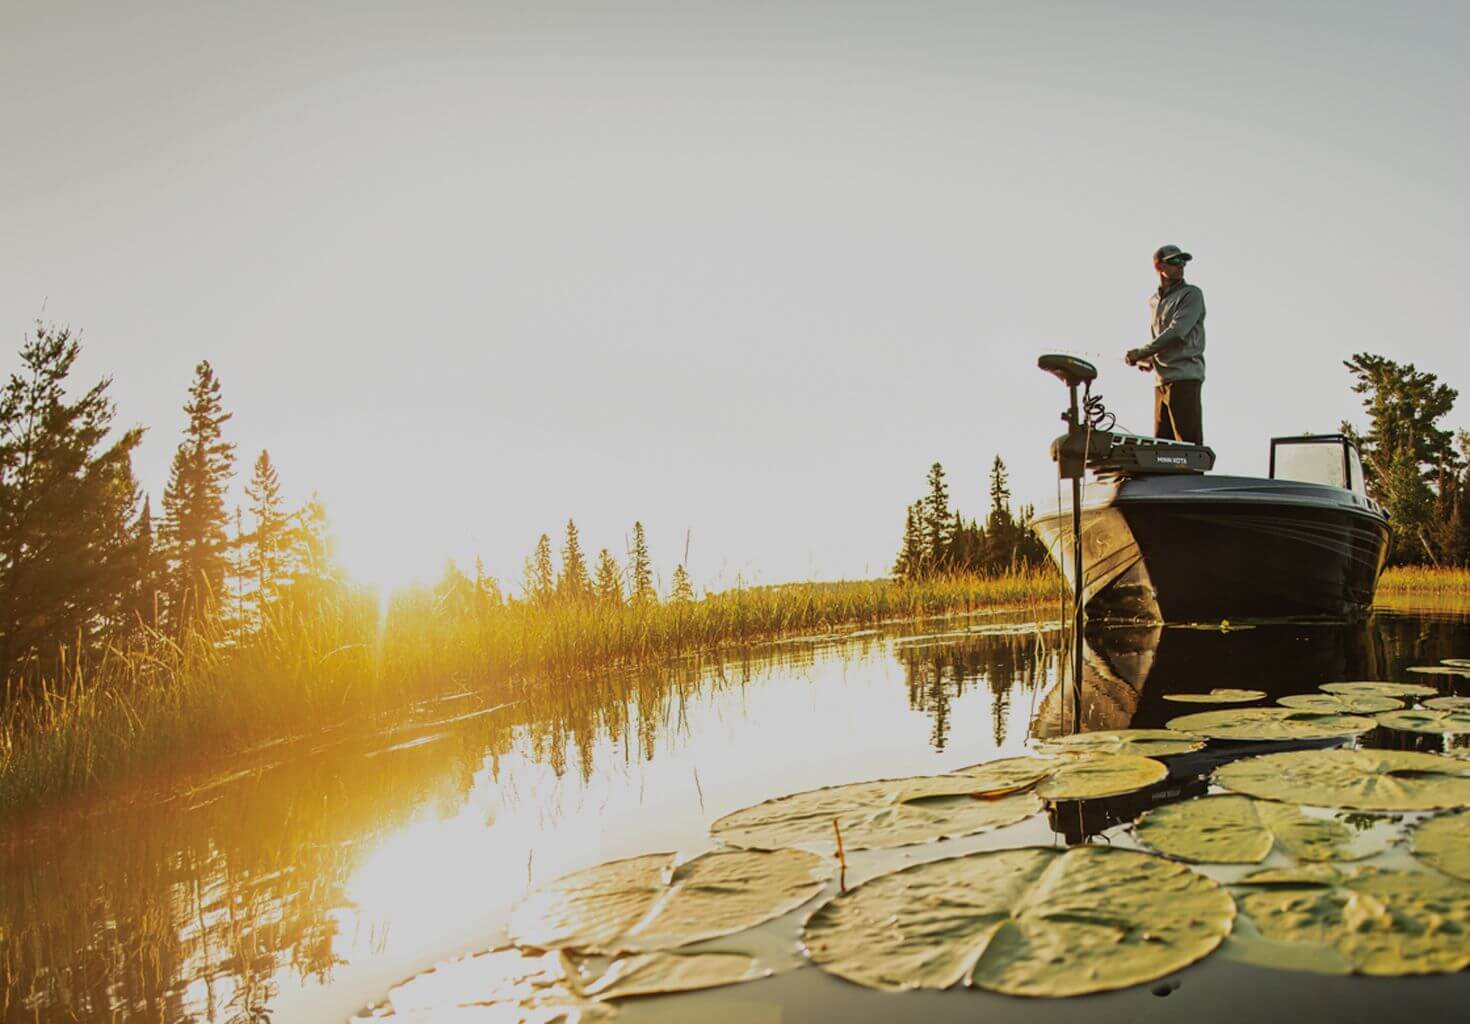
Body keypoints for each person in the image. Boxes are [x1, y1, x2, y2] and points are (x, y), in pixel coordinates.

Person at [1125, 244, 1206, 444]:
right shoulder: (1154, 301)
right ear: (1159, 267)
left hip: (1184, 379)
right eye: (1175, 261)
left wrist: (1141, 352)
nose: (1181, 266)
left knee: (1187, 448)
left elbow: (1176, 332)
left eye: (1183, 262)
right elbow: (1161, 337)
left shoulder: (1191, 294)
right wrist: (1149, 359)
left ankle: (1194, 477)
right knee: (1162, 449)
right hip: (1161, 382)